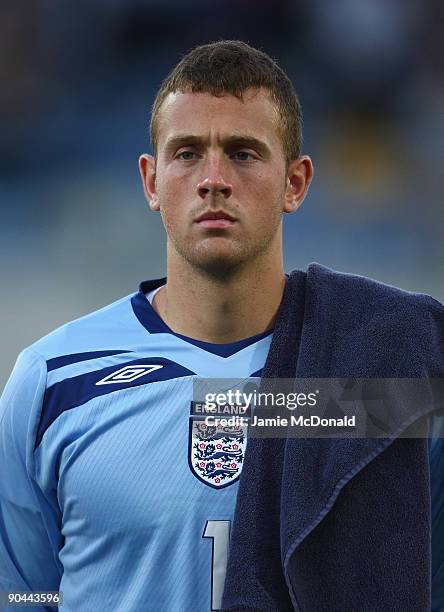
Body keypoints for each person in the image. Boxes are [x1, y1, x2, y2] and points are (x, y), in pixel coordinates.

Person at [0, 40, 442, 612]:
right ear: (152, 182)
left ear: (296, 183)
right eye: (186, 153)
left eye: (243, 153)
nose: (214, 179)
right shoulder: (53, 380)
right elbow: (23, 592)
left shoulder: (385, 376)